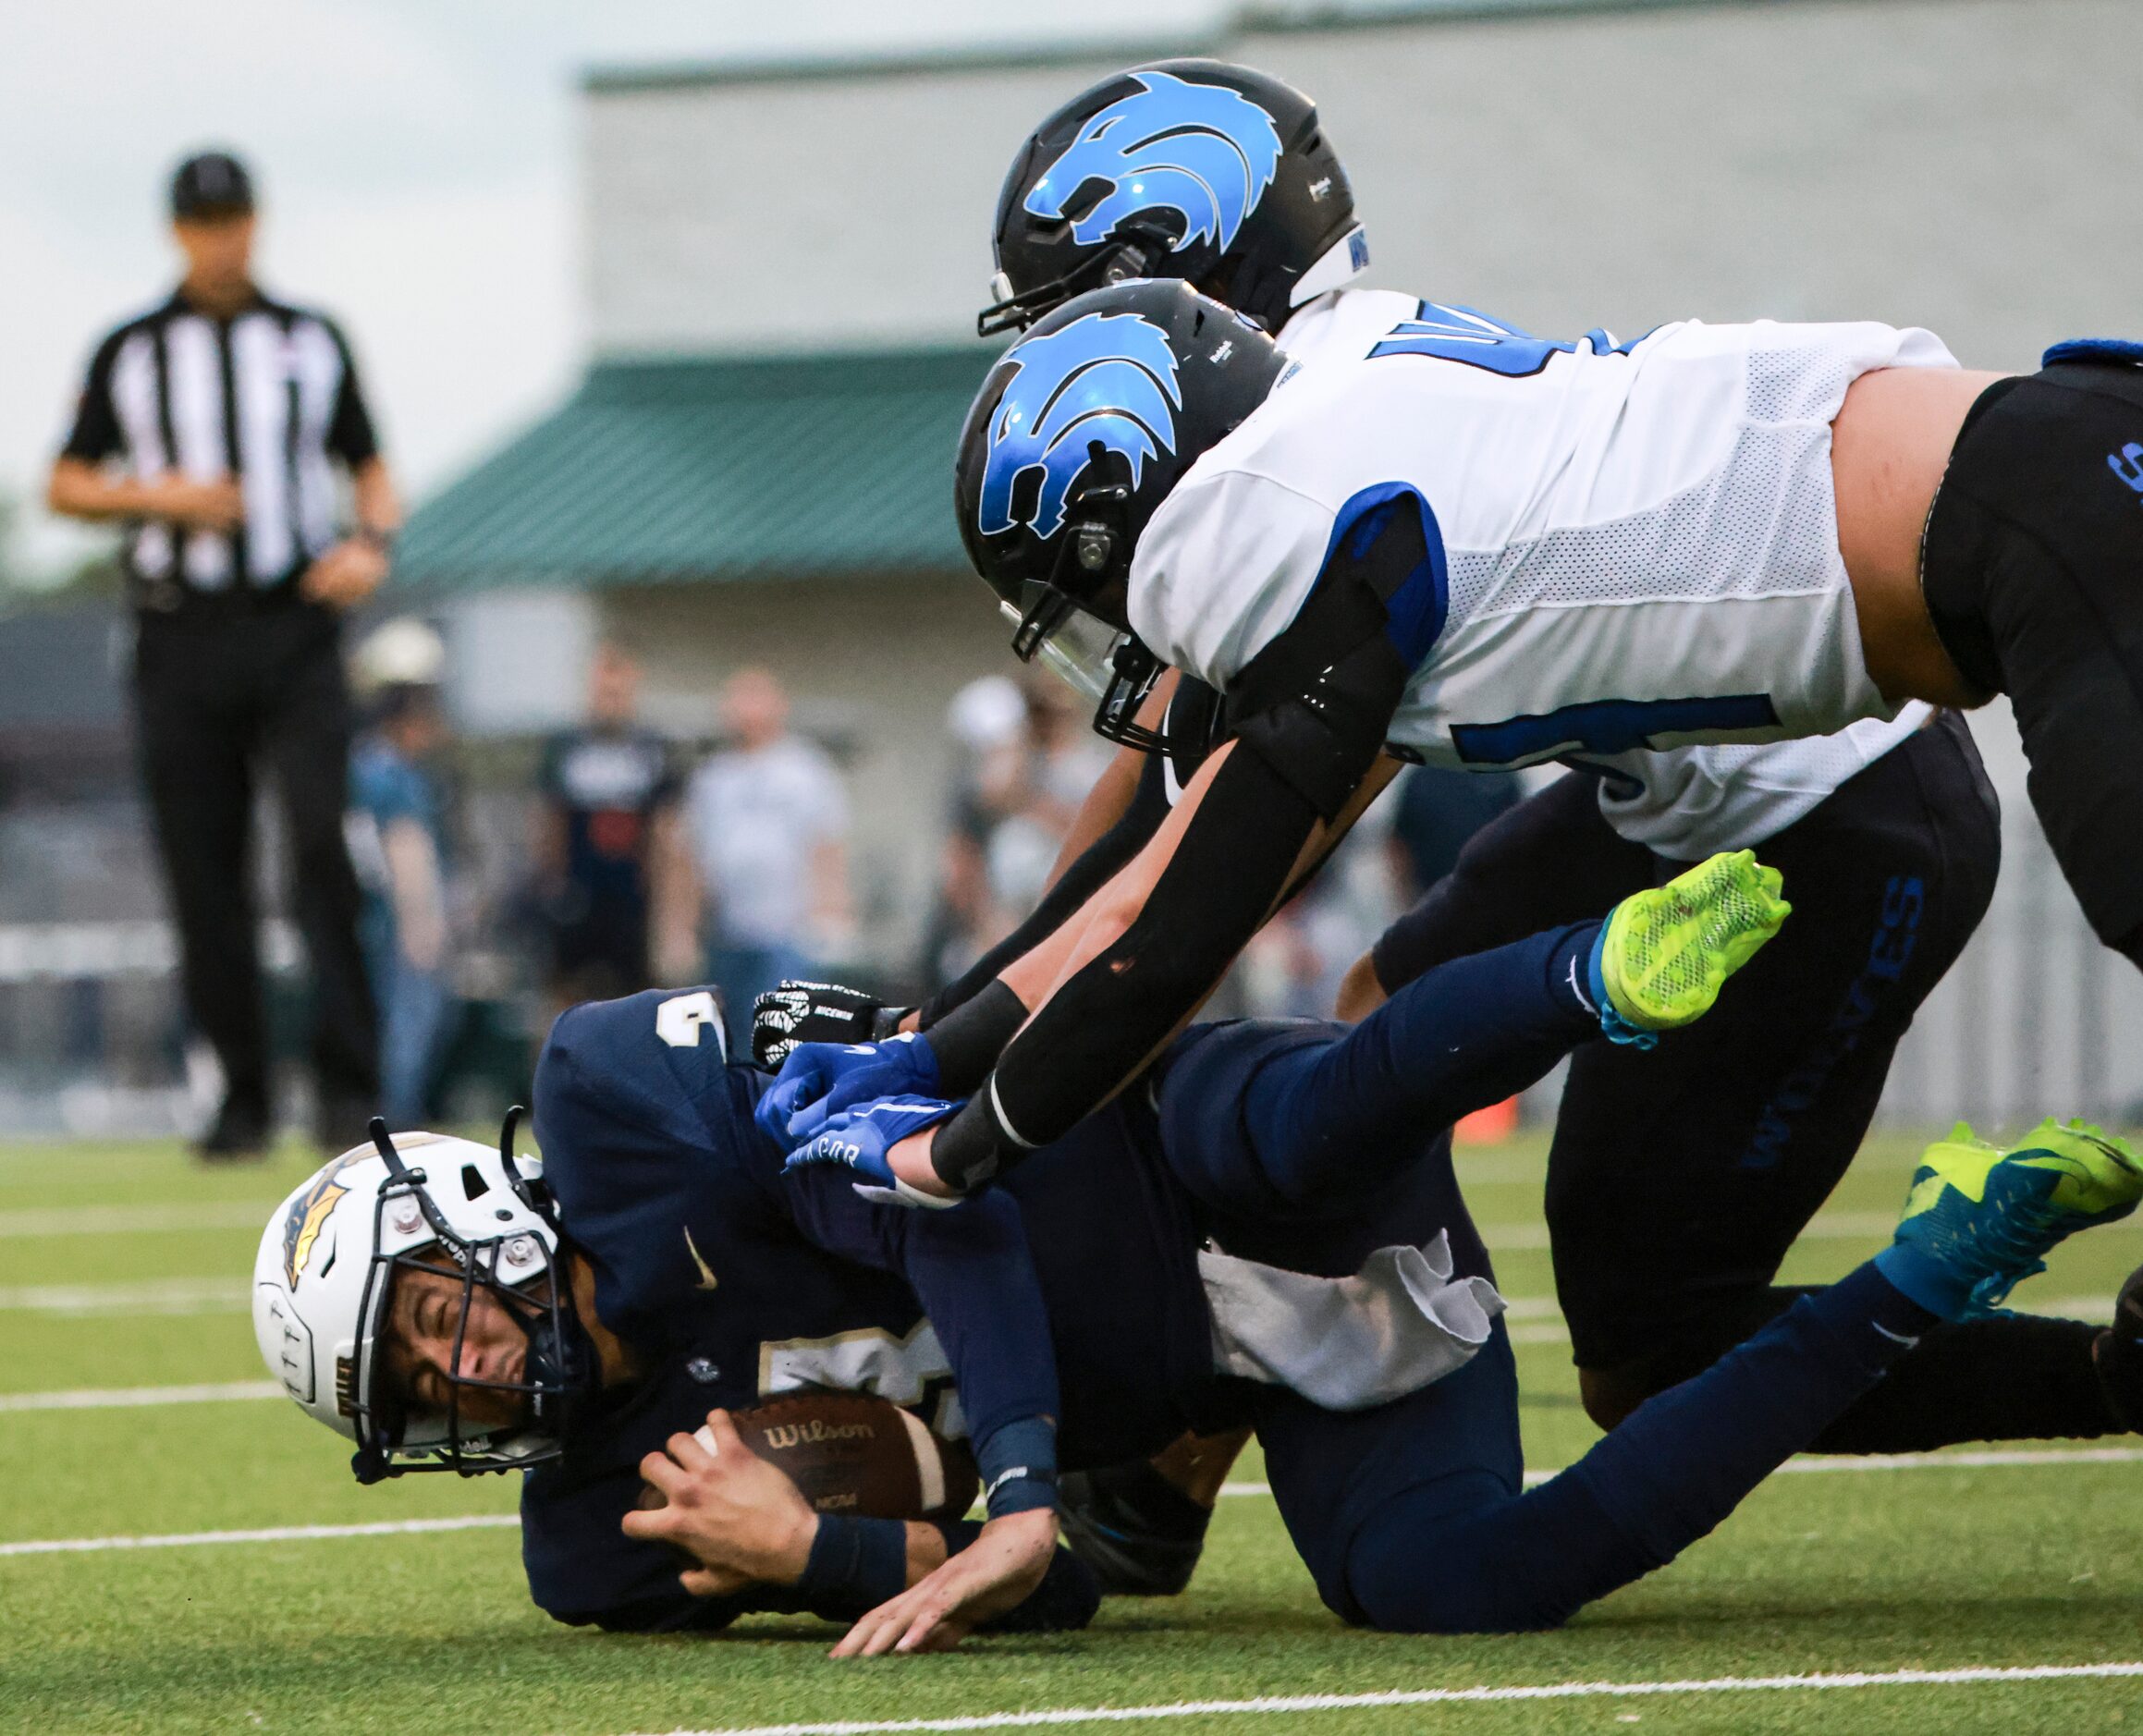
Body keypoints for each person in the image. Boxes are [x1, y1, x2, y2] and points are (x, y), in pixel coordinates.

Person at [252, 855, 2143, 1651]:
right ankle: (1927, 1272)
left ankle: (1596, 973)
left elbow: (954, 1189)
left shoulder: (619, 1112)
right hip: (1228, 1364)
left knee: (1313, 1118)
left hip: (1138, 1147)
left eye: (430, 1317)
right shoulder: (600, 1542)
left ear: (475, 1217)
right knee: (1459, 1588)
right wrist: (817, 1554)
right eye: (411, 1388)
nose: (463, 1371)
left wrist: (999, 1482)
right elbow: (1053, 1592)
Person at [46, 148, 394, 1158]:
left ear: (256, 221)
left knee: (322, 845)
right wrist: (165, 495)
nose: (221, 238)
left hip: (294, 626)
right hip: (179, 629)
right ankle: (240, 1096)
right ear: (176, 231)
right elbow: (66, 482)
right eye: (204, 222)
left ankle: (349, 1089)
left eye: (235, 218)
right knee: (205, 871)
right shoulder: (133, 350)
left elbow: (370, 466)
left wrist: (369, 544)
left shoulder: (311, 339)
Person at [686, 668, 853, 1039]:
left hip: (787, 933)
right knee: (730, 1039)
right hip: (728, 933)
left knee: (782, 1038)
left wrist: (829, 916)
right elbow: (694, 857)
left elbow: (825, 845)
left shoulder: (805, 770)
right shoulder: (713, 777)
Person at [533, 643, 693, 1013]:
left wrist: (671, 917)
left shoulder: (653, 751)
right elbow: (548, 823)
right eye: (603, 690)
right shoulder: (565, 749)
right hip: (579, 892)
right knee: (564, 995)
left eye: (618, 691)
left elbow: (668, 834)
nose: (610, 700)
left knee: (639, 998)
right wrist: (550, 888)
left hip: (632, 896)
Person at [347, 620, 455, 1131]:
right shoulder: (395, 774)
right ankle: (397, 1123)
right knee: (408, 1030)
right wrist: (422, 923)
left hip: (366, 917)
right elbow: (405, 849)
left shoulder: (360, 765)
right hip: (393, 921)